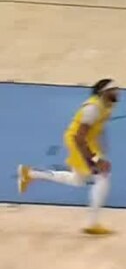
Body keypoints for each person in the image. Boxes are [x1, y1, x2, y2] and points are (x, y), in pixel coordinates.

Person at [18, 79, 120, 235]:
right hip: (78, 142)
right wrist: (94, 159)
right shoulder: (92, 109)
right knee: (103, 176)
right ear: (104, 92)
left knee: (78, 180)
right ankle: (92, 223)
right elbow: (79, 138)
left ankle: (30, 174)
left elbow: (99, 126)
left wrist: (102, 146)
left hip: (89, 141)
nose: (118, 92)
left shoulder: (108, 104)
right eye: (114, 89)